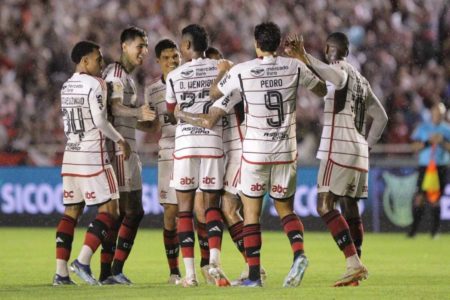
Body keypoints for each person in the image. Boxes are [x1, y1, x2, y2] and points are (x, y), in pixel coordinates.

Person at [209, 22, 327, 287]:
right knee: (286, 209)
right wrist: (302, 57)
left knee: (250, 214)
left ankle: (253, 276)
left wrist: (222, 72)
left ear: (256, 43)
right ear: (278, 42)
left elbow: (215, 93)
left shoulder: (242, 70)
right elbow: (322, 90)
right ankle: (298, 254)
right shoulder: (293, 66)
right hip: (285, 150)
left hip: (255, 152)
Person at [285, 32, 388, 287]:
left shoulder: (340, 70)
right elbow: (382, 117)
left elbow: (337, 77)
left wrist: (304, 56)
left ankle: (353, 263)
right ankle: (355, 269)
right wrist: (368, 145)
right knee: (350, 207)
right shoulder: (362, 80)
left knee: (324, 205)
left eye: (327, 48)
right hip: (358, 152)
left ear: (331, 49)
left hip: (338, 149)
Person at [175, 46, 266, 285]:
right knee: (215, 210)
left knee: (228, 208)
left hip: (241, 152)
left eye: (216, 66)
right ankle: (239, 265)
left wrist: (181, 114)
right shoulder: (223, 88)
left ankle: (251, 266)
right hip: (226, 153)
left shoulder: (230, 88)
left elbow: (208, 120)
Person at [54, 40, 131, 286]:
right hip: (92, 156)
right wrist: (120, 140)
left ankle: (61, 274)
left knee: (71, 213)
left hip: (71, 155)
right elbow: (99, 119)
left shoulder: (66, 86)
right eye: (98, 59)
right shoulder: (96, 83)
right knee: (111, 210)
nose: (102, 63)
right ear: (85, 61)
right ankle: (83, 261)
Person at [166, 24, 229, 287]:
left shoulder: (175, 75)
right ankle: (214, 261)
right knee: (212, 206)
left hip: (185, 143)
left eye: (182, 44)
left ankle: (190, 275)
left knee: (185, 209)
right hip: (212, 141)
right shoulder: (220, 68)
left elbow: (172, 111)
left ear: (188, 46)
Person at [101, 26, 156, 285]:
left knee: (133, 212)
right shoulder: (114, 73)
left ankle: (112, 270)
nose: (144, 51)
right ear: (124, 46)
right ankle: (108, 271)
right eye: (139, 46)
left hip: (130, 149)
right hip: (119, 149)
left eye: (146, 46)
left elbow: (131, 116)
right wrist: (138, 114)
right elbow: (114, 107)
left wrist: (149, 120)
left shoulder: (130, 79)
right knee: (125, 211)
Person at [408, 102, 450, 238]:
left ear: (444, 114)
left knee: (436, 199)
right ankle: (413, 231)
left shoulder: (447, 129)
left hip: (440, 166)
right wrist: (428, 142)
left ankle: (435, 232)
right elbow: (413, 147)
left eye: (441, 113)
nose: (438, 115)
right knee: (419, 198)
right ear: (432, 113)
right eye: (436, 112)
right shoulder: (423, 127)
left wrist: (442, 142)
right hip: (425, 166)